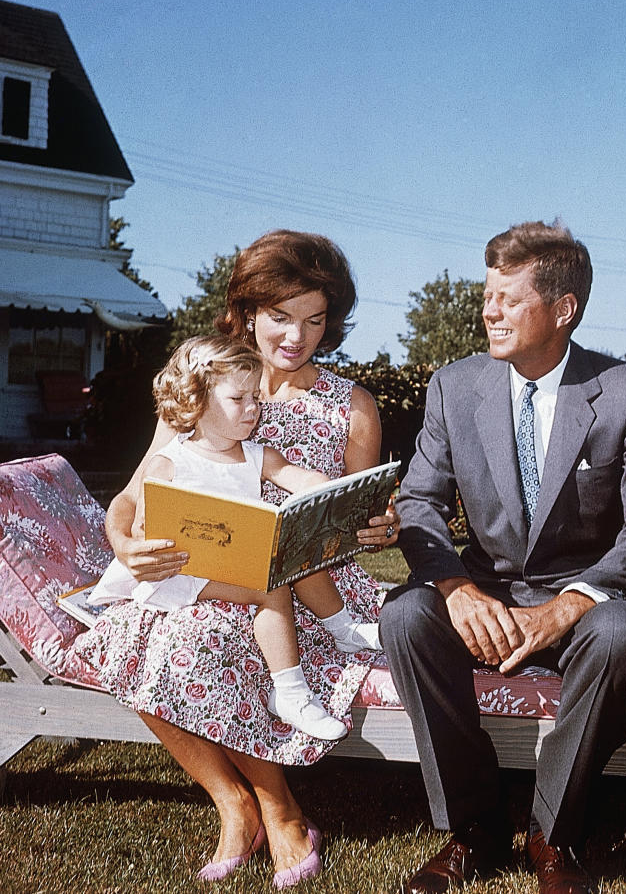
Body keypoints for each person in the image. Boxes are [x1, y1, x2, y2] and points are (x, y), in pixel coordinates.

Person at [71, 230, 398, 888]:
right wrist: (129, 544)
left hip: (313, 589)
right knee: (134, 628)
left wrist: (379, 527)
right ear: (247, 311)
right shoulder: (207, 384)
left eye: (315, 319)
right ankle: (236, 800)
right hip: (211, 573)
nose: (296, 335)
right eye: (280, 316)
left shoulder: (352, 407)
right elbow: (132, 499)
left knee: (203, 632)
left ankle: (278, 809)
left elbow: (359, 511)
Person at [380, 220, 626, 894]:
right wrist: (456, 587)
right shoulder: (453, 387)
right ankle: (472, 829)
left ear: (562, 309)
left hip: (583, 605)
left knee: (624, 630)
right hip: (485, 594)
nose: (487, 310)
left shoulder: (625, 391)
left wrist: (570, 603)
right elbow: (421, 504)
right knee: (404, 616)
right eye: (486, 294)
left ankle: (553, 835)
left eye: (506, 299)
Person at [87, 334, 382, 741]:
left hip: (230, 564)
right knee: (271, 587)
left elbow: (301, 479)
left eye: (255, 399)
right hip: (180, 574)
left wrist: (333, 492)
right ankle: (291, 693)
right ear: (197, 401)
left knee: (293, 558)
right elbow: (144, 528)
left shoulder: (256, 454)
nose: (253, 409)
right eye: (238, 399)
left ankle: (343, 629)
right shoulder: (170, 462)